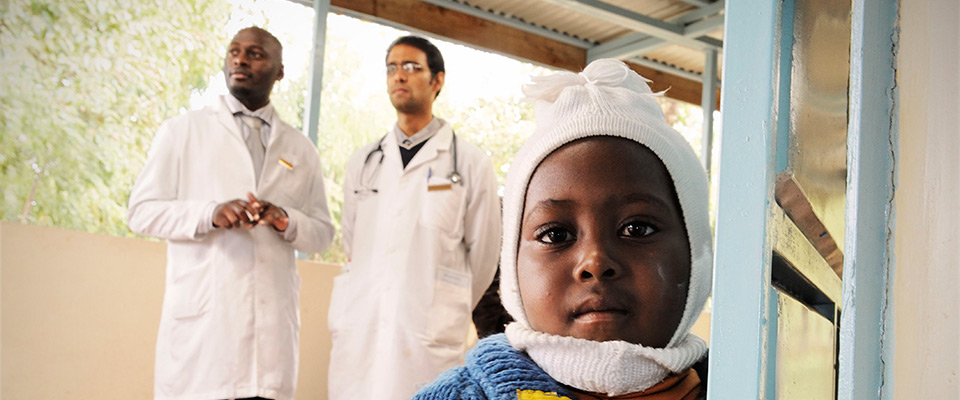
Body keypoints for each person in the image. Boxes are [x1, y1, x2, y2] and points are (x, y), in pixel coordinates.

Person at [414, 58, 713, 399]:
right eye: (556, 235)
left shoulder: (755, 384)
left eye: (637, 229)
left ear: (696, 254)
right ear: (512, 268)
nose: (595, 262)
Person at [127, 26, 334, 400]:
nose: (240, 59)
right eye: (234, 52)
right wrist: (210, 213)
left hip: (270, 347)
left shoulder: (300, 149)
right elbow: (141, 212)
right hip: (203, 341)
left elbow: (322, 233)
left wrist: (284, 219)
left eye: (255, 53)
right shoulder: (182, 131)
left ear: (280, 71)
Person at [329, 35, 501, 399]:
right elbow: (352, 240)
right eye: (392, 68)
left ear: (437, 80)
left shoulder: (468, 162)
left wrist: (446, 302)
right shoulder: (364, 161)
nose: (399, 76)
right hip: (362, 326)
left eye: (411, 67)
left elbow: (484, 256)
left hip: (429, 331)